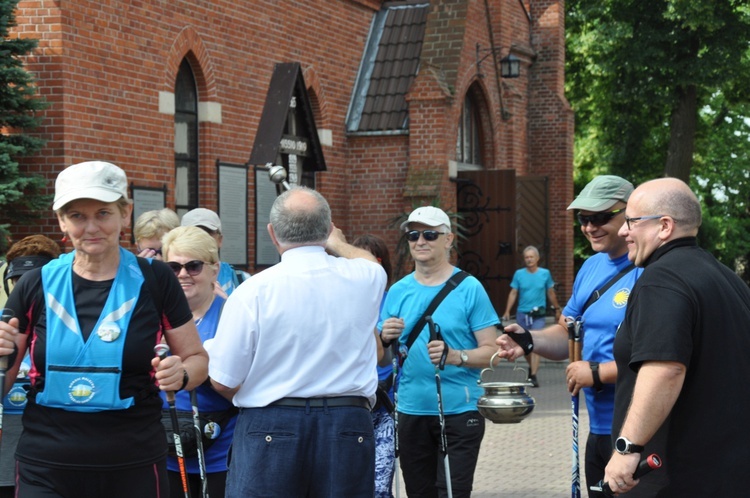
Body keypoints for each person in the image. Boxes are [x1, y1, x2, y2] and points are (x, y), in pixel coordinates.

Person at [0, 161, 208, 498]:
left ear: (125, 214)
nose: (91, 226)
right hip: (47, 466)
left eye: (103, 213)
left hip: (134, 463)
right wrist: (2, 356)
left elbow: (197, 359)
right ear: (61, 222)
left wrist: (181, 374)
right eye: (77, 216)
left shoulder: (156, 279)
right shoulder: (36, 283)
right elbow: (3, 381)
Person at [206, 186, 386, 497]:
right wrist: (338, 242)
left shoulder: (252, 291)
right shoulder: (365, 277)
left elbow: (223, 380)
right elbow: (371, 261)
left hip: (271, 421)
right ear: (329, 229)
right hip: (347, 421)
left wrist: (266, 391)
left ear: (272, 234)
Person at [495, 175, 645, 493]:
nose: (590, 227)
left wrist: (596, 372)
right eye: (584, 218)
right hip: (598, 430)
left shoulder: (651, 272)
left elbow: (663, 363)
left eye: (601, 217)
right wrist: (530, 340)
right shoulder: (590, 267)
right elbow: (567, 331)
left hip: (641, 435)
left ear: (630, 214)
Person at [603, 177, 750, 496]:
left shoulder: (662, 279)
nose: (623, 231)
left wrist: (627, 449)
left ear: (664, 226)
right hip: (728, 473)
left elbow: (665, 368)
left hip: (674, 478)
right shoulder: (726, 279)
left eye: (631, 221)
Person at [379, 206, 499, 498]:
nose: (420, 241)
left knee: (452, 493)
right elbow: (380, 359)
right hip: (410, 411)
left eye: (430, 234)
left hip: (460, 410)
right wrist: (383, 339)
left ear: (448, 239)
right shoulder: (397, 291)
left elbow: (493, 352)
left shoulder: (469, 288)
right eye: (413, 235)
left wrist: (456, 356)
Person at [160, 226, 236, 498]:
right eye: (173, 266)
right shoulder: (154, 317)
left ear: (214, 269)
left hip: (219, 454)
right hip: (163, 450)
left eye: (193, 266)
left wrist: (204, 372)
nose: (182, 275)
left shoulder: (232, 315)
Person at [0, 235, 61, 498]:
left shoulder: (65, 329)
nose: (24, 288)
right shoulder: (3, 329)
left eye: (31, 280)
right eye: (17, 281)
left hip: (51, 452)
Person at [352, 234, 396, 498]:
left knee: (379, 487)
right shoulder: (339, 298)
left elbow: (387, 356)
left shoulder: (392, 298)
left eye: (371, 260)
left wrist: (389, 337)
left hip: (383, 402)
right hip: (350, 404)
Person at [502, 245, 562, 387]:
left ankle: (533, 375)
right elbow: (513, 293)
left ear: (537, 258)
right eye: (526, 257)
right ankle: (531, 367)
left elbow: (550, 292)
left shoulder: (545, 274)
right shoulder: (519, 274)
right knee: (525, 346)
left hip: (538, 315)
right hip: (522, 314)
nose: (529, 260)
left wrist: (557, 308)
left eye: (531, 257)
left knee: (535, 345)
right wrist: (507, 311)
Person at [180, 207, 250, 296]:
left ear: (220, 240)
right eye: (193, 234)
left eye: (207, 233)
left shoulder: (241, 281)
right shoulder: (168, 280)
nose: (201, 240)